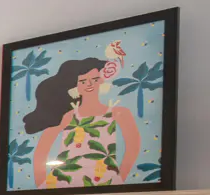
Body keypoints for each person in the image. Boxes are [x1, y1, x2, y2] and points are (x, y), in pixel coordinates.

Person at [25, 56, 140, 188]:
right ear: (75, 86)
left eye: (94, 79)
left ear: (101, 80)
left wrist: (120, 178)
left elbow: (133, 146)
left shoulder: (119, 113)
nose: (89, 84)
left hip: (105, 180)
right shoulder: (67, 116)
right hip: (61, 181)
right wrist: (41, 185)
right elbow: (42, 148)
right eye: (83, 81)